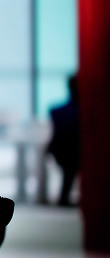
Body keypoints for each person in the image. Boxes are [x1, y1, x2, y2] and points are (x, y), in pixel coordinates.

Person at [47, 75, 79, 207]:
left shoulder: (57, 111)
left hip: (63, 151)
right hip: (75, 151)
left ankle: (63, 197)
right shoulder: (85, 112)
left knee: (68, 172)